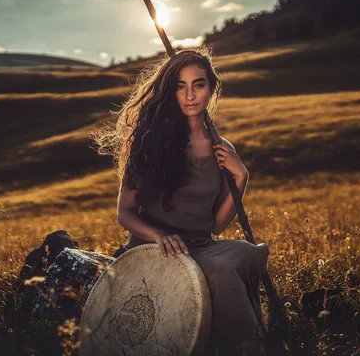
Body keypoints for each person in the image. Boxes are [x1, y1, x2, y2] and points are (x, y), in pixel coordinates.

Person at [90, 47, 269, 356]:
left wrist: (240, 178)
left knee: (246, 253)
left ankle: (242, 342)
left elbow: (215, 224)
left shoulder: (221, 149)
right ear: (170, 91)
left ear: (211, 88)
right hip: (156, 247)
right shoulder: (149, 142)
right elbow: (125, 213)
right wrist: (160, 235)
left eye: (198, 85)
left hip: (200, 245)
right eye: (180, 86)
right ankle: (247, 347)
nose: (190, 95)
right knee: (223, 268)